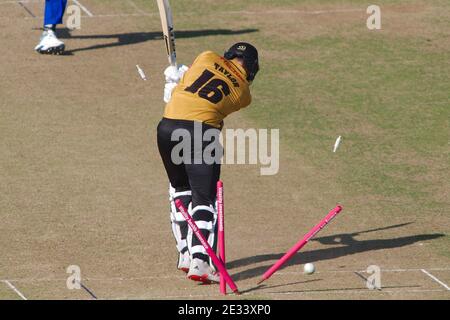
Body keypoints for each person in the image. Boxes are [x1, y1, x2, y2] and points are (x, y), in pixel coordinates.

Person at [157, 42, 259, 283]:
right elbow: (209, 107)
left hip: (167, 127)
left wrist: (175, 83)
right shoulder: (243, 94)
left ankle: (184, 254)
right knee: (204, 199)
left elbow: (190, 89)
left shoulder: (205, 56)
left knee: (180, 190)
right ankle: (200, 262)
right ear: (253, 68)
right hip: (200, 133)